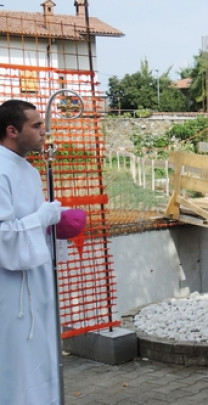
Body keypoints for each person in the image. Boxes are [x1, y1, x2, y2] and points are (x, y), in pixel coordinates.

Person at [0, 100, 64, 404]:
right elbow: (3, 234)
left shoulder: (28, 169)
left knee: (40, 355)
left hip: (35, 282)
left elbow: (33, 224)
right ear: (12, 131)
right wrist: (43, 217)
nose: (44, 130)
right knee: (15, 363)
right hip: (9, 290)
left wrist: (56, 225)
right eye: (36, 125)